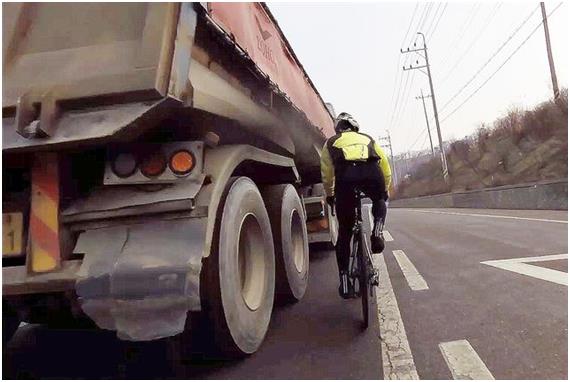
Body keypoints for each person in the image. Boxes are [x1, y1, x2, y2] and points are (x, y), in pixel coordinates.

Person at [320, 112, 392, 298]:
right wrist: (385, 190)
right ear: (355, 127)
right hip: (371, 173)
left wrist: (330, 195)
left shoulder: (330, 142)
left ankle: (344, 282)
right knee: (378, 200)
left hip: (346, 178)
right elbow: (385, 166)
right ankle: (377, 231)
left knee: (345, 232)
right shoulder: (367, 138)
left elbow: (327, 175)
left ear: (338, 128)